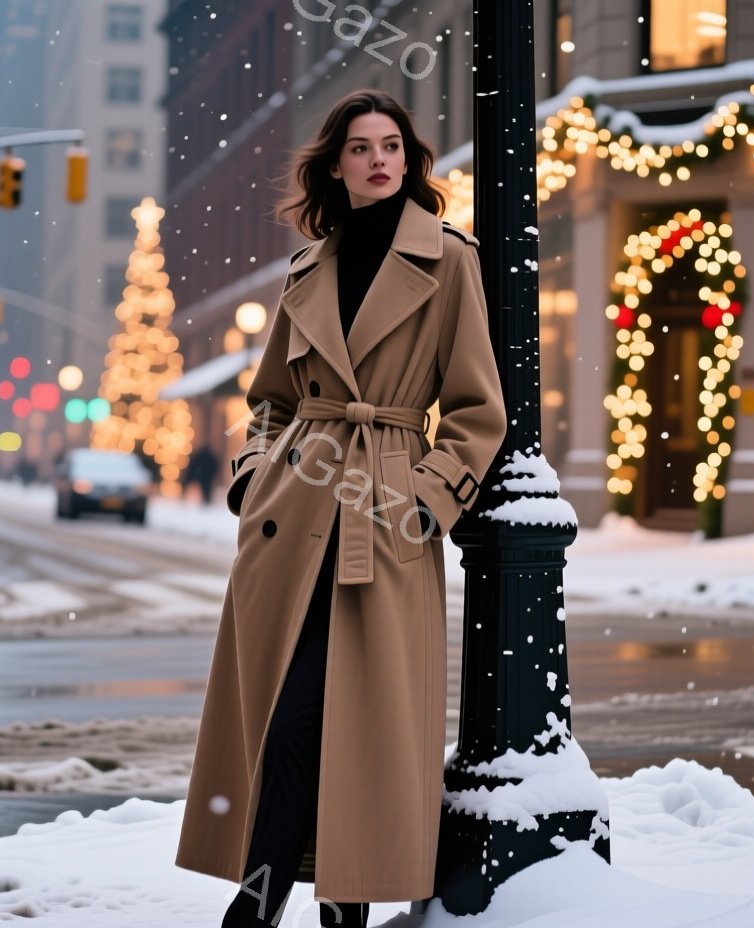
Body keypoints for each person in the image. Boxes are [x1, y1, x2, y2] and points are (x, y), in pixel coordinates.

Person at [173, 89, 507, 927]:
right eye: (360, 147)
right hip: (294, 517)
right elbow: (270, 402)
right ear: (336, 165)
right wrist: (255, 475)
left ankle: (269, 906)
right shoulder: (306, 268)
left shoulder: (450, 260)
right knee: (288, 725)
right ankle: (317, 905)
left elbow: (476, 410)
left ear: (410, 157)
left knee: (339, 726)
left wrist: (427, 501)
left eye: (391, 144)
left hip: (383, 511)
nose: (378, 160)